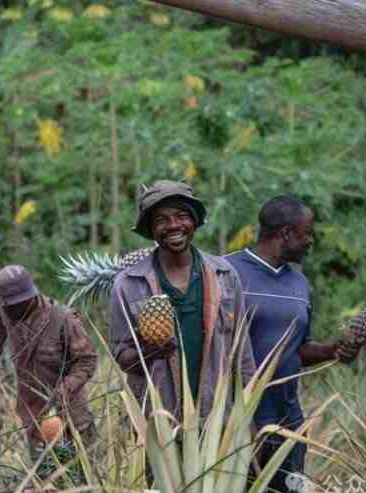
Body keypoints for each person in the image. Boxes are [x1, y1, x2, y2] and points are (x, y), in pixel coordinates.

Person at [226, 195, 361, 493]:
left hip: (288, 424)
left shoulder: (299, 282)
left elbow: (298, 348)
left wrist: (331, 351)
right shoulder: (226, 272)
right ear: (285, 233)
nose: (311, 241)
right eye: (307, 232)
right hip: (236, 424)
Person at [109, 180, 256, 421]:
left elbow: (243, 352)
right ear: (151, 229)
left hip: (217, 418)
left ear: (194, 221)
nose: (174, 225)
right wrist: (150, 353)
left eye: (182, 216)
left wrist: (248, 417)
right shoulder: (128, 284)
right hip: (157, 420)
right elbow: (122, 357)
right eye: (161, 220)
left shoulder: (224, 275)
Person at [0, 264, 97, 451]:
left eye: (13, 305)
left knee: (81, 461)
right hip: (32, 409)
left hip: (71, 409)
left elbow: (87, 360)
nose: (8, 310)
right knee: (41, 463)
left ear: (29, 298)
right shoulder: (5, 311)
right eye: (5, 305)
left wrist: (65, 389)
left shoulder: (63, 319)